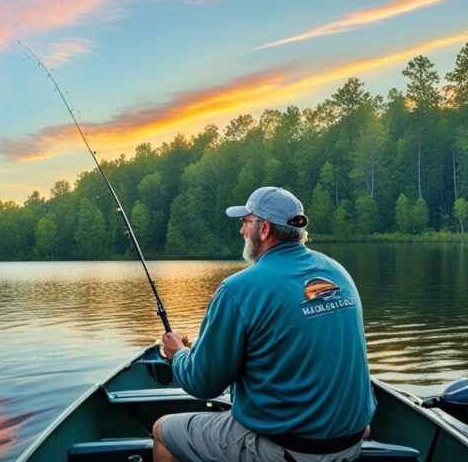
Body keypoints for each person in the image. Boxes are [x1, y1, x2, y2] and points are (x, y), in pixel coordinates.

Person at [153, 186, 375, 462]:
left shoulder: (238, 288)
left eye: (245, 222)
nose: (241, 231)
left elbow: (203, 383)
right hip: (351, 440)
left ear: (265, 229)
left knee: (163, 430)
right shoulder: (337, 271)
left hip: (289, 449)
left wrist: (179, 356)